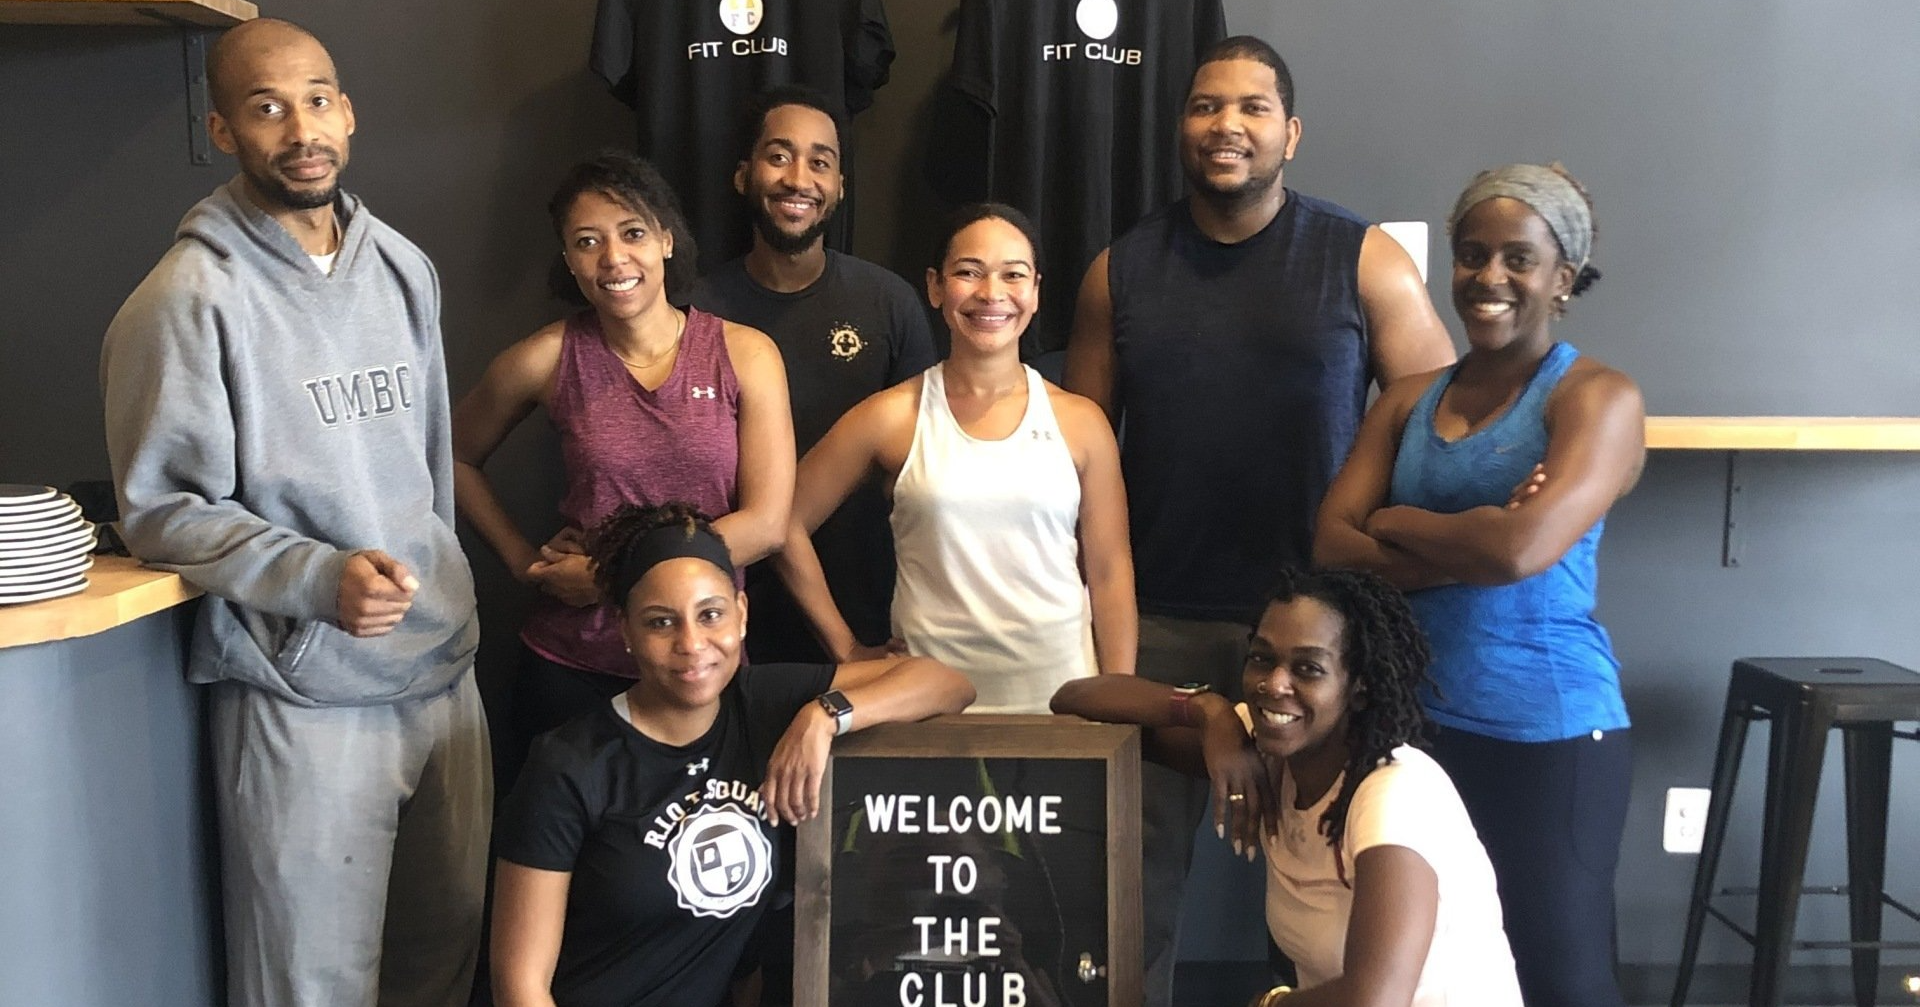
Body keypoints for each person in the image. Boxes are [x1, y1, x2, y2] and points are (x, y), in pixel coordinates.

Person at [1061, 35, 1457, 1003]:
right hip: (1159, 619)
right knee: (1134, 893)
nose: (1225, 125)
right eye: (1204, 106)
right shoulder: (1122, 270)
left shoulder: (1360, 259)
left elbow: (1437, 423)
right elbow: (1076, 449)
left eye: (1249, 107)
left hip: (1315, 632)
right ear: (1181, 127)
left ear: (1291, 132)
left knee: (1324, 885)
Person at [100, 19, 487, 1007]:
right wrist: (318, 577)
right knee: (307, 988)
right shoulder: (187, 297)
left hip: (443, 678)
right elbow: (160, 510)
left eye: (316, 99)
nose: (299, 127)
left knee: (438, 968)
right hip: (300, 693)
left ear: (348, 112)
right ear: (222, 127)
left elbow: (427, 469)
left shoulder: (401, 265)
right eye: (266, 107)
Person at [1314, 162, 1644, 1007]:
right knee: (1431, 970)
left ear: (1563, 278)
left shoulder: (1596, 397)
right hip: (1414, 725)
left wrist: (1396, 520)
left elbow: (1521, 551)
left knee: (1557, 973)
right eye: (1471, 255)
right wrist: (1481, 530)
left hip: (1546, 730)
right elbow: (1330, 543)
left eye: (1518, 259)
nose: (1488, 278)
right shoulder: (1410, 399)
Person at [490, 502, 976, 1007]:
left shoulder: (760, 703)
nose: (692, 644)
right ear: (625, 631)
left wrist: (826, 715)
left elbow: (947, 683)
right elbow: (519, 988)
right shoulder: (570, 766)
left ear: (741, 616)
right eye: (660, 623)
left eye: (710, 615)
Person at [451, 152, 794, 778]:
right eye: (588, 242)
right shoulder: (548, 359)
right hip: (572, 666)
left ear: (665, 239)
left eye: (632, 233)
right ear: (568, 259)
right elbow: (451, 456)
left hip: (702, 661)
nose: (613, 259)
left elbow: (767, 525)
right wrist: (523, 561)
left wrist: (611, 577)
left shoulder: (744, 354)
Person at [1052, 566, 1522, 1007]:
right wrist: (1206, 710)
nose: (1275, 683)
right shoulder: (1267, 750)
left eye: (1308, 669)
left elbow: (1375, 1000)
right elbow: (1077, 699)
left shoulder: (1393, 792)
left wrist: (1270, 1003)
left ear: (1358, 686)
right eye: (1262, 659)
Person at [773, 203, 1136, 711]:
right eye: (969, 272)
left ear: (1035, 291)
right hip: (927, 707)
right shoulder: (892, 416)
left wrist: (1118, 697)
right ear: (936, 286)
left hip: (1062, 702)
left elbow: (1109, 570)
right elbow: (780, 521)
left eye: (1013, 275)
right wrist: (848, 652)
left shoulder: (1081, 422)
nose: (992, 294)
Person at [691, 85, 938, 666]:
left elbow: (930, 461)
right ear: (743, 175)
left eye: (820, 162)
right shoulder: (694, 313)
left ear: (840, 187)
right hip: (728, 618)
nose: (798, 178)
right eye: (778, 156)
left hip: (878, 615)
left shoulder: (888, 303)